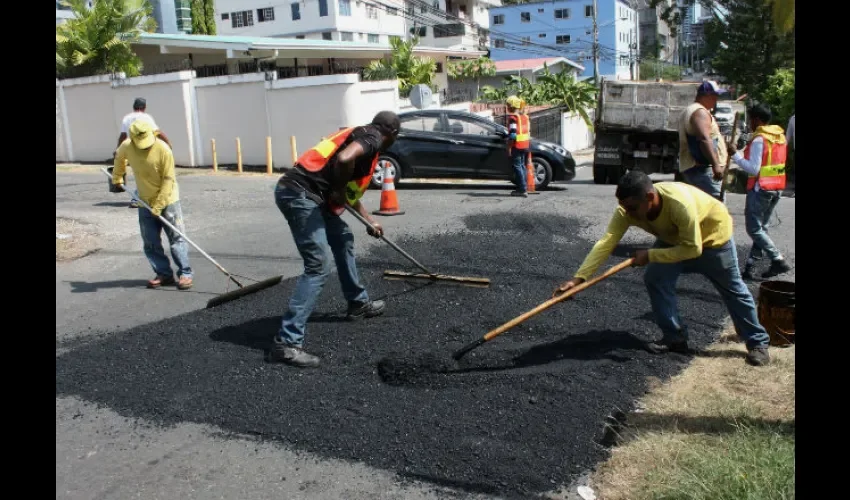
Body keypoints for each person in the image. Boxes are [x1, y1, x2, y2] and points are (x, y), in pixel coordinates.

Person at [553, 170, 772, 367]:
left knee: (732, 288)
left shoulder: (679, 204)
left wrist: (650, 255)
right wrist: (578, 279)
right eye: (624, 207)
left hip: (713, 240)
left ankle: (758, 342)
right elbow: (606, 242)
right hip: (674, 239)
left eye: (631, 208)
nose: (627, 213)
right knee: (655, 278)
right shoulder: (627, 210)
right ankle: (674, 337)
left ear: (650, 197)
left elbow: (692, 249)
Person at [269, 111, 401, 368]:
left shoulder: (359, 134)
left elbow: (348, 194)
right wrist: (338, 190)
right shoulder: (372, 138)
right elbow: (343, 160)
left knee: (342, 236)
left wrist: (370, 220)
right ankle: (286, 343)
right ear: (392, 135)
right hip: (300, 195)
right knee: (318, 265)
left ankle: (357, 303)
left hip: (308, 195)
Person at [111, 120, 193, 291]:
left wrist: (159, 205)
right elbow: (119, 159)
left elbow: (168, 180)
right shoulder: (126, 146)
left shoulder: (163, 150)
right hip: (144, 200)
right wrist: (117, 177)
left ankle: (185, 273)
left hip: (168, 200)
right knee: (150, 241)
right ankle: (164, 274)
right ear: (132, 138)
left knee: (176, 237)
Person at [727, 103, 792, 280]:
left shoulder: (759, 139)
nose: (749, 123)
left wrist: (735, 155)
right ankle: (750, 267)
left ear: (756, 120)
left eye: (750, 119)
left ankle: (778, 259)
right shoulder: (779, 137)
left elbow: (754, 169)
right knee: (762, 228)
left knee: (754, 229)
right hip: (776, 186)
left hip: (761, 188)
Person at [113, 98, 172, 208]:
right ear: (144, 107)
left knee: (139, 174)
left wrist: (118, 150)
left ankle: (140, 197)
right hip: (146, 149)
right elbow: (157, 132)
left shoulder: (126, 118)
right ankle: (137, 198)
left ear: (134, 107)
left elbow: (123, 136)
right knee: (149, 174)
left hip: (132, 151)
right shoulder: (146, 117)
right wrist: (168, 143)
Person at [677, 80, 729, 200]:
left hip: (697, 168)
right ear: (706, 95)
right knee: (716, 208)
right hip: (703, 169)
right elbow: (704, 139)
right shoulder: (699, 112)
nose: (716, 99)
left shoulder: (694, 110)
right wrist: (716, 165)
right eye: (715, 96)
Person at [505, 95, 531, 197]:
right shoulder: (524, 117)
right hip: (525, 145)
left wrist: (509, 147)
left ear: (510, 106)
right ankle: (524, 187)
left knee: (517, 166)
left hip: (517, 145)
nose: (507, 107)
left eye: (507, 105)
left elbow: (512, 134)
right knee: (522, 166)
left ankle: (522, 189)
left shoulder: (513, 118)